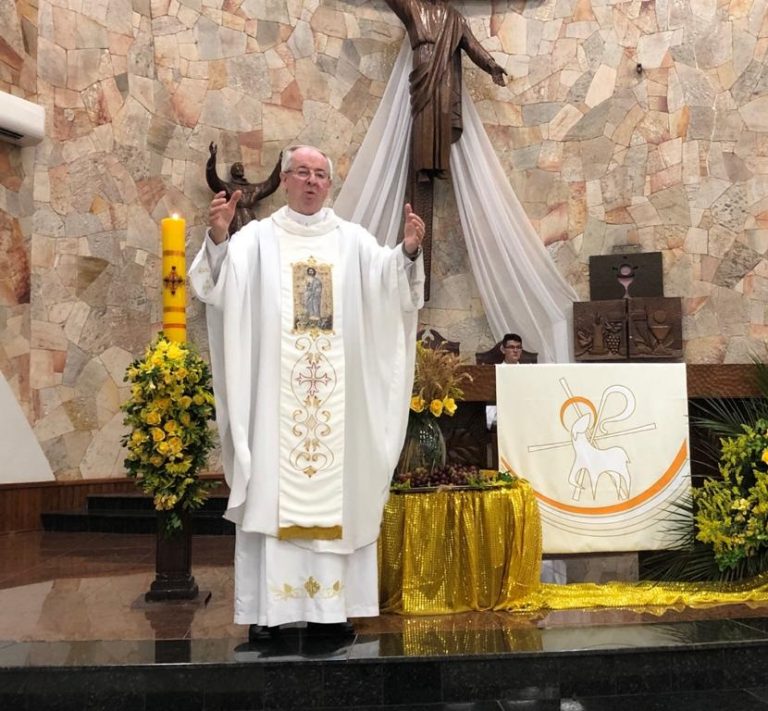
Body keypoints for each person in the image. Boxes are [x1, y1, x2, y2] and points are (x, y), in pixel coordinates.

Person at [189, 144, 426, 641]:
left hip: (339, 407)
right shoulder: (256, 239)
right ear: (286, 180)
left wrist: (406, 251)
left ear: (329, 184)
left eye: (321, 174)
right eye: (302, 172)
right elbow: (215, 285)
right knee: (273, 495)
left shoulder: (353, 241)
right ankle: (270, 614)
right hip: (277, 405)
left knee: (339, 496)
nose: (312, 181)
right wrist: (216, 236)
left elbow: (390, 286)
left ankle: (332, 611)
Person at [384, 0, 507, 180]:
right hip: (423, 67)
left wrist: (490, 64)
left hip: (446, 72)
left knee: (442, 113)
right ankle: (423, 167)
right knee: (424, 115)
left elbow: (472, 45)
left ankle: (439, 165)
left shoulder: (455, 18)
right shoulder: (413, 7)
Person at [205, 142, 282, 235]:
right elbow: (213, 180)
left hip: (249, 220)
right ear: (232, 172)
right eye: (236, 167)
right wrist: (212, 159)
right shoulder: (228, 187)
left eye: (240, 167)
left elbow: (270, 184)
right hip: (234, 220)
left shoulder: (253, 188)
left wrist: (280, 164)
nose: (239, 168)